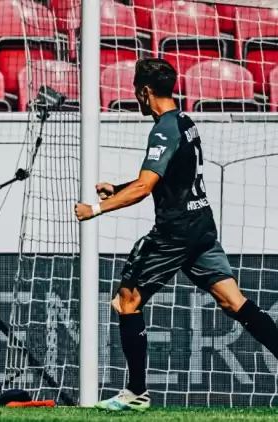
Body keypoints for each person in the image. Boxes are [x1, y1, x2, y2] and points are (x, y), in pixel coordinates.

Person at [74, 58, 278, 411]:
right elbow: (171, 177)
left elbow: (145, 187)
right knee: (233, 301)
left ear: (144, 92)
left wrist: (95, 209)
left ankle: (136, 393)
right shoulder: (185, 121)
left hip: (174, 233)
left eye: (136, 92)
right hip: (201, 226)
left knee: (126, 302)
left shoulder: (163, 129)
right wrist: (118, 188)